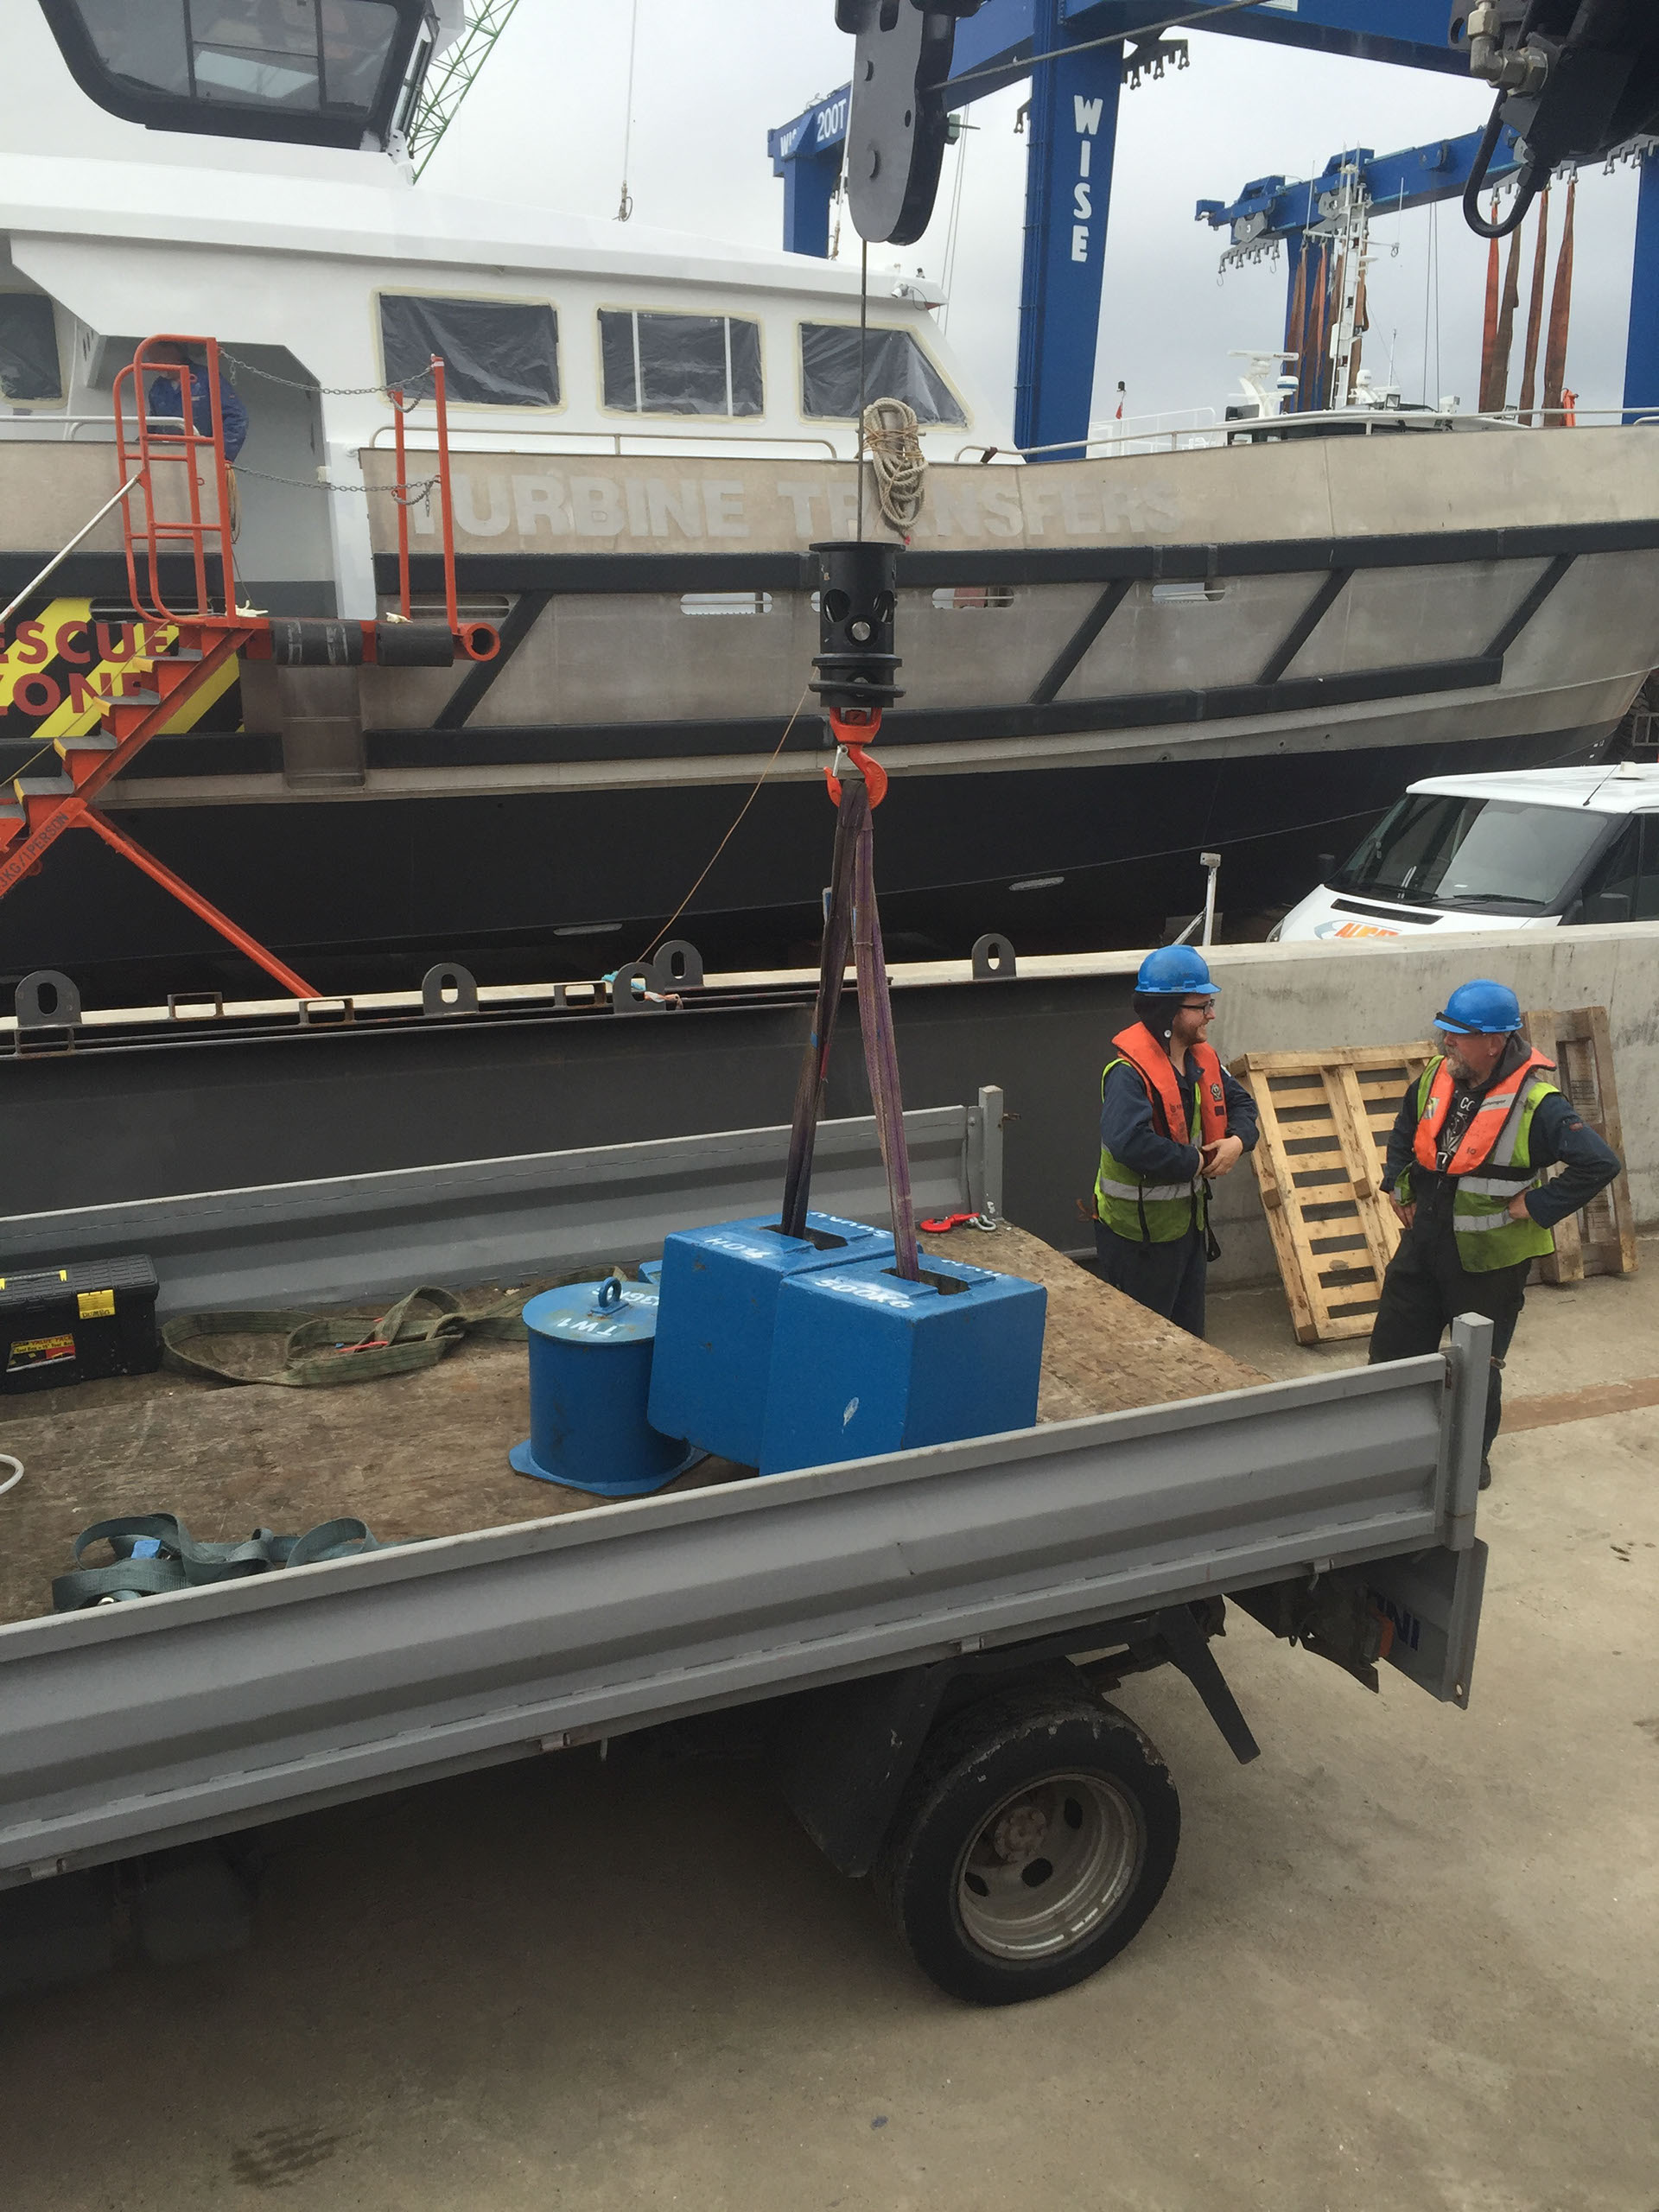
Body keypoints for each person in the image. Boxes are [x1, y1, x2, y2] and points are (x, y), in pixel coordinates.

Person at [1371, 978, 1622, 1486]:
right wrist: (1398, 1184)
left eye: (1459, 1034)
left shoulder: (1539, 1102)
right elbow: (1404, 1130)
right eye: (1446, 1030)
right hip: (1424, 1242)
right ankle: (1390, 1449)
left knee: (1475, 1367)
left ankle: (1468, 1462)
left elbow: (1599, 1163)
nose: (1447, 1041)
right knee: (1394, 1352)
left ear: (1494, 1041)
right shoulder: (1437, 1075)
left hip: (1490, 1261)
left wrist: (1539, 1204)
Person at [1094, 946, 1259, 1339]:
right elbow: (1130, 1143)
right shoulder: (1128, 1074)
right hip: (1139, 1241)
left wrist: (1237, 1142)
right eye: (1202, 1006)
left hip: (1188, 1229)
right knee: (1144, 1346)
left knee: (1188, 1340)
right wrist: (1197, 1163)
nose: (1211, 1014)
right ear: (1168, 1011)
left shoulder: (1202, 1059)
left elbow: (1242, 1104)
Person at [144, 343, 249, 463]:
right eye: (152, 361)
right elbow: (153, 425)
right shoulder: (158, 387)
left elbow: (236, 417)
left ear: (173, 352)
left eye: (158, 359)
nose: (155, 366)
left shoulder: (207, 379)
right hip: (168, 460)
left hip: (202, 457)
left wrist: (221, 456)